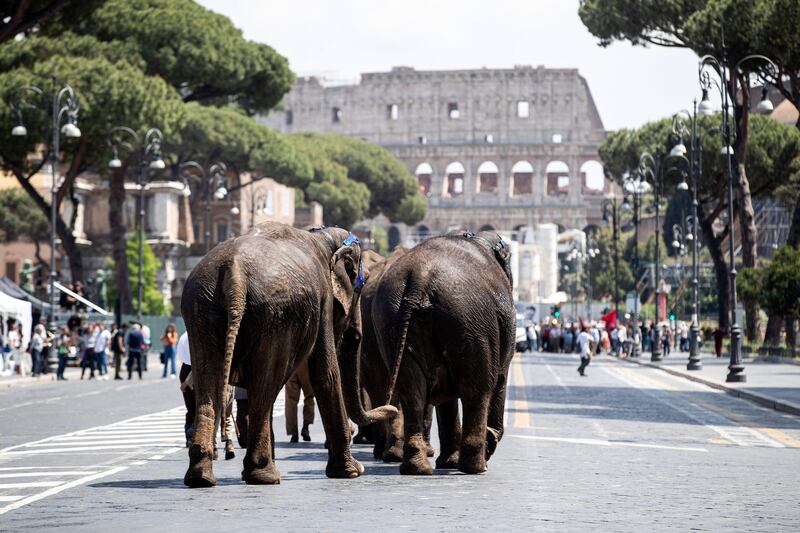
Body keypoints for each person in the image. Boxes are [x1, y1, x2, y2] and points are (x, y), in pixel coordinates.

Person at [285, 360, 315, 442]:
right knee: (309, 397)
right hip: (305, 362)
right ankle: (306, 427)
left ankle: (294, 433)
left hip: (290, 363)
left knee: (290, 401)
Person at [176, 331, 195, 445]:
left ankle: (189, 436)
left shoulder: (183, 336)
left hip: (185, 369)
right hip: (194, 369)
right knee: (197, 406)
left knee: (190, 407)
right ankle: (193, 434)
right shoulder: (194, 335)